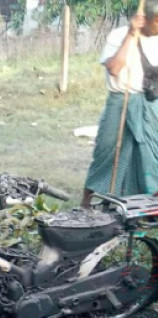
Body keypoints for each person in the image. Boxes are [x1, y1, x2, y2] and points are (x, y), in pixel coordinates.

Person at [82, 2, 158, 206]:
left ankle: (148, 209)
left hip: (151, 105)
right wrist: (132, 34)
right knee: (106, 154)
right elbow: (114, 68)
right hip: (122, 101)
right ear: (145, 19)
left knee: (152, 157)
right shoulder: (120, 35)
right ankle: (87, 206)